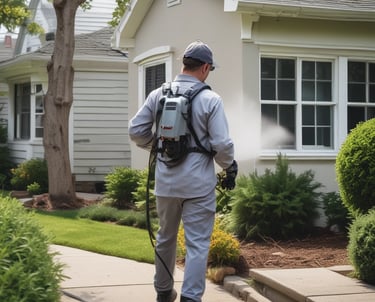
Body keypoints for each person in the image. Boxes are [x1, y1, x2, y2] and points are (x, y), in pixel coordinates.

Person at [128, 41, 237, 302]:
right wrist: (229, 167)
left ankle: (164, 292)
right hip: (198, 185)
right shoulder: (211, 99)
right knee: (197, 244)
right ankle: (190, 298)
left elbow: (135, 131)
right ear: (205, 68)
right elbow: (222, 144)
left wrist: (158, 146)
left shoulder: (158, 94)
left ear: (183, 64)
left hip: (166, 183)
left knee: (165, 237)